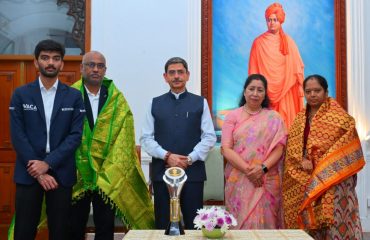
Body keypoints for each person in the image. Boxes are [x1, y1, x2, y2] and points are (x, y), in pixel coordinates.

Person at [69, 51, 155, 240]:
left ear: (105, 70)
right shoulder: (69, 95)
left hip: (107, 173)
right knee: (74, 227)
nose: (95, 69)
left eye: (100, 66)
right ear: (82, 68)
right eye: (91, 65)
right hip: (77, 173)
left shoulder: (116, 99)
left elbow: (124, 135)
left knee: (105, 227)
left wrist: (110, 168)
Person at [8, 39, 85, 240]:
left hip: (61, 173)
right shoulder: (21, 94)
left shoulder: (74, 97)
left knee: (60, 231)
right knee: (24, 230)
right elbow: (18, 135)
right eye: (45, 58)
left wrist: (48, 164)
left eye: (55, 58)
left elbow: (75, 135)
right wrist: (39, 171)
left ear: (62, 64)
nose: (50, 62)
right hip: (28, 172)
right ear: (36, 62)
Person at [282, 74, 365, 239]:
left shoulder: (342, 119)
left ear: (326, 92)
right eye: (308, 91)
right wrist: (302, 160)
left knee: (334, 221)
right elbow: (292, 147)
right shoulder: (299, 118)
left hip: (333, 179)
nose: (312, 94)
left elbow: (348, 146)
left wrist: (322, 166)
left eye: (317, 90)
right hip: (304, 177)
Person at [140, 57, 216, 229]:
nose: (176, 76)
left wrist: (188, 159)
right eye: (172, 72)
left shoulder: (200, 102)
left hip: (192, 174)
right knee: (163, 225)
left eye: (180, 72)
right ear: (165, 76)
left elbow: (209, 137)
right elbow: (146, 138)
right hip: (163, 174)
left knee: (194, 225)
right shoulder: (154, 103)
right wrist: (167, 156)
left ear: (187, 75)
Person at [221, 74, 287, 229]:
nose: (255, 93)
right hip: (239, 178)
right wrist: (249, 171)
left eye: (260, 90)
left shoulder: (274, 117)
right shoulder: (233, 116)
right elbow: (225, 149)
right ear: (244, 92)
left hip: (267, 179)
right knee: (241, 225)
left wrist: (262, 169)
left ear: (265, 94)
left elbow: (279, 149)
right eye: (251, 89)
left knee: (266, 223)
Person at [248, 2, 304, 128]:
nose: (272, 23)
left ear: (280, 21)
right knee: (267, 129)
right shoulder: (258, 42)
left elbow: (297, 67)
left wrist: (300, 85)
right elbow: (253, 71)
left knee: (286, 127)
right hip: (265, 92)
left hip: (286, 89)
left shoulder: (288, 42)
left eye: (275, 20)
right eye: (269, 20)